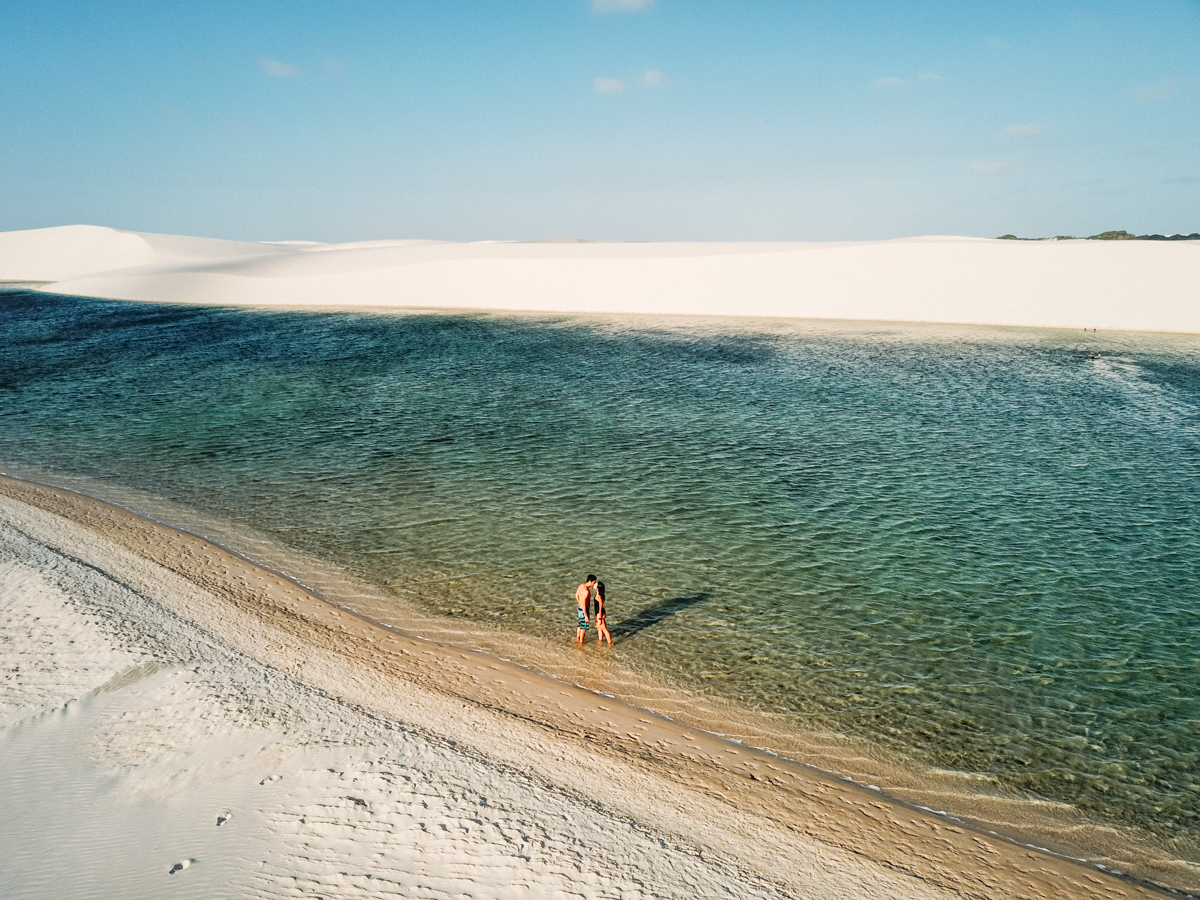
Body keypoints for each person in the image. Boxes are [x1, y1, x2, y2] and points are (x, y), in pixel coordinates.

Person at [575, 575, 597, 644]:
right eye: (594, 582)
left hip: (579, 608)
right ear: (590, 582)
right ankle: (581, 642)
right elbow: (584, 605)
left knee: (580, 624)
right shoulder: (586, 592)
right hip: (584, 610)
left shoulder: (581, 585)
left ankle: (577, 638)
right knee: (583, 627)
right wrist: (586, 615)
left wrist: (579, 603)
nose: (594, 584)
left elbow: (576, 594)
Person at [593, 578, 612, 646]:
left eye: (596, 584)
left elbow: (600, 608)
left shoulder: (599, 597)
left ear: (598, 588)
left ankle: (610, 643)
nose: (594, 585)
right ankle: (600, 641)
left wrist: (600, 618)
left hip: (600, 613)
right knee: (599, 629)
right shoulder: (597, 594)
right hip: (597, 613)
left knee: (604, 629)